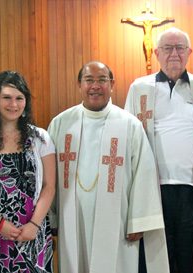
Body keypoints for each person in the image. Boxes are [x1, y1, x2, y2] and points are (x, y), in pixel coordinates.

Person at [48, 61, 169, 273]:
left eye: (102, 80)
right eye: (89, 80)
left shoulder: (128, 124)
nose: (96, 86)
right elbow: (48, 177)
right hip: (72, 219)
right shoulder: (61, 124)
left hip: (118, 221)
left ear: (111, 84)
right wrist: (52, 216)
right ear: (79, 84)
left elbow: (144, 172)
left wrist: (138, 220)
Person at [125, 27, 193, 273]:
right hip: (153, 188)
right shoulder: (139, 88)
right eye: (167, 48)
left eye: (180, 48)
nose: (174, 53)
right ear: (156, 53)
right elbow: (128, 141)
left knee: (189, 255)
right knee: (156, 257)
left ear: (189, 53)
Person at [0, 71, 56, 272]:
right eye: (6, 97)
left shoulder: (40, 138)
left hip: (32, 233)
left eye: (19, 98)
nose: (13, 104)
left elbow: (49, 186)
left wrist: (34, 225)